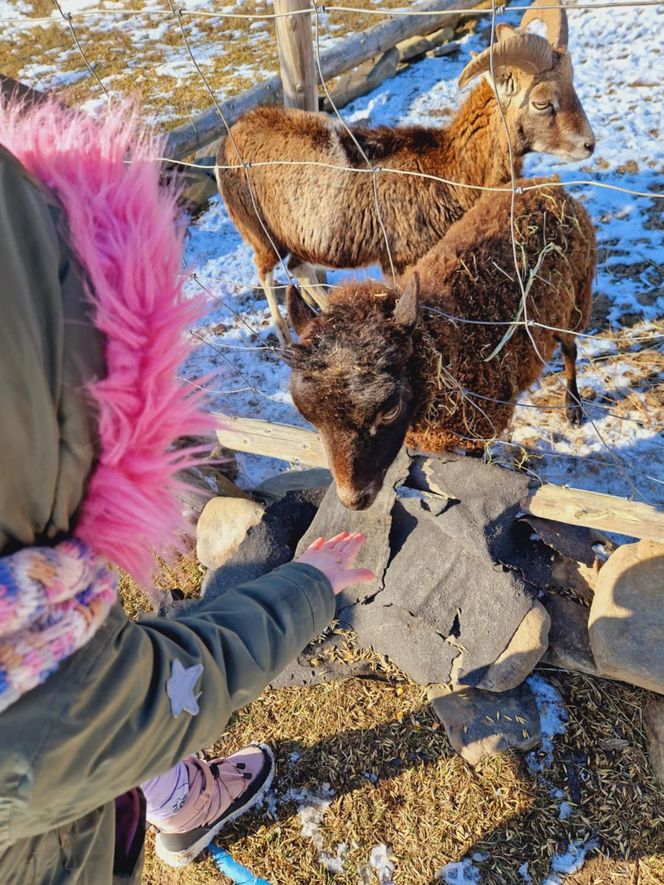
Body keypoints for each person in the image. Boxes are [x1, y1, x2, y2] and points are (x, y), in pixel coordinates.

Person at [0, 96, 373, 883]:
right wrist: (313, 583)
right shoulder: (45, 699)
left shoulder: (39, 627)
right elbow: (193, 671)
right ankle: (180, 799)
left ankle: (171, 795)